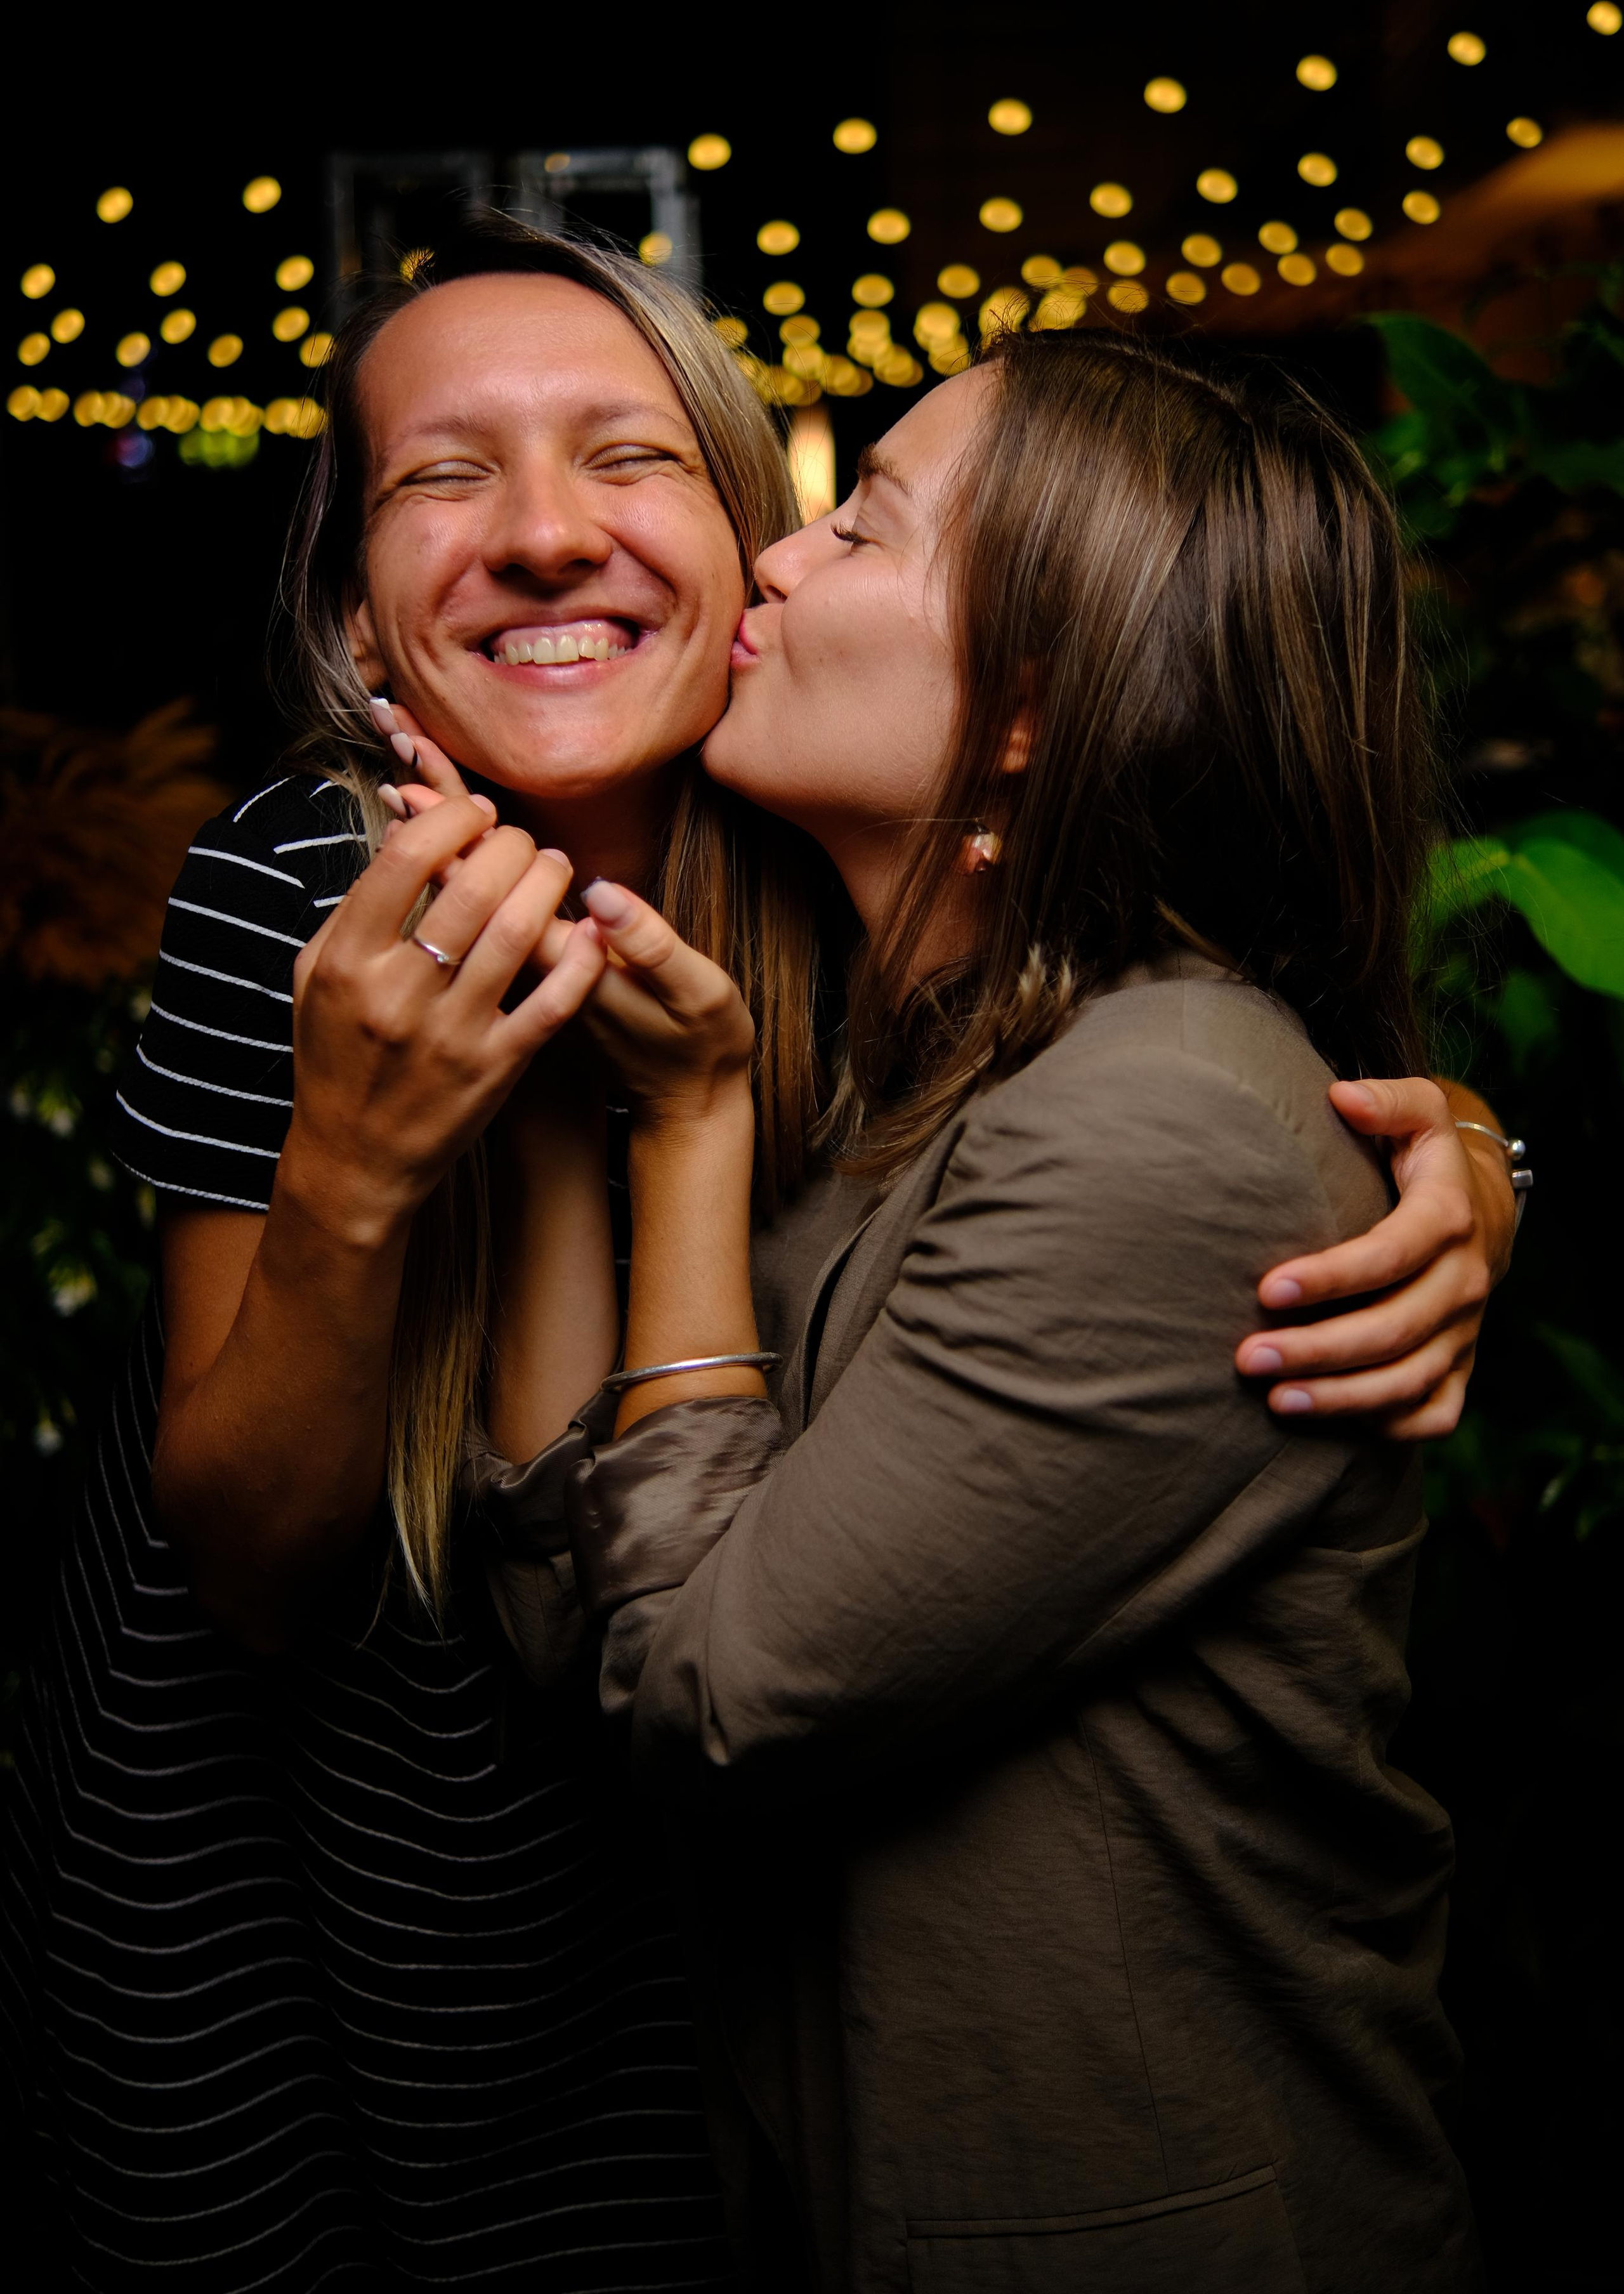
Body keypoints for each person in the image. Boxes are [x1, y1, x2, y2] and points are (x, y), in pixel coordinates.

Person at [0, 223, 1503, 2287]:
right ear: (356, 615)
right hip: (325, 1860)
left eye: (630, 458)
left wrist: (1456, 1162)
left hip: (732, 1924)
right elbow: (254, 1576)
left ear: (740, 540)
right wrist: (357, 1165)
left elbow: (1152, 1090)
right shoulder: (312, 888)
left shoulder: (823, 867)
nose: (543, 536)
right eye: (444, 478)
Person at [490, 328, 1496, 2290]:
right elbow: (572, 1614)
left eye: (861, 526)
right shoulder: (913, 1084)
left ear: (1028, 703)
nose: (776, 562)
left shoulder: (1154, 1116)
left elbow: (703, 1696)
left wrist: (685, 1130)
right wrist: (561, 1121)